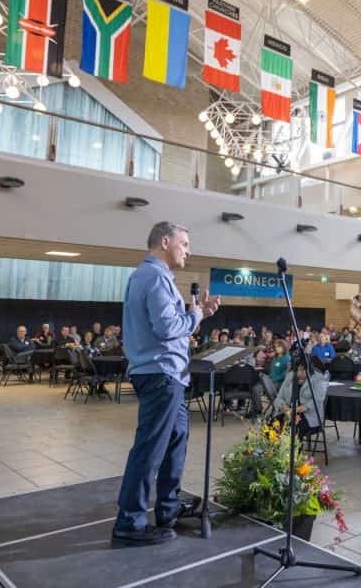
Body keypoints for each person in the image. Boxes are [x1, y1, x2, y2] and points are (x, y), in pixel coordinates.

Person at [113, 222, 220, 547]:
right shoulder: (155, 276)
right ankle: (129, 523)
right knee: (150, 448)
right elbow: (166, 327)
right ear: (165, 241)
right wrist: (195, 316)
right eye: (184, 243)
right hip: (161, 373)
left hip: (167, 373)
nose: (188, 250)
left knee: (176, 438)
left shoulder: (149, 277)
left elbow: (167, 323)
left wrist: (198, 313)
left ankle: (168, 509)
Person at [272, 362, 327, 439]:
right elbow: (278, 398)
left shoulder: (318, 378)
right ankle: (272, 449)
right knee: (271, 425)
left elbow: (316, 401)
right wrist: (284, 406)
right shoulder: (290, 376)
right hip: (288, 412)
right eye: (296, 370)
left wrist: (295, 411)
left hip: (308, 416)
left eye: (302, 370)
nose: (298, 373)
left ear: (308, 369)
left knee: (291, 429)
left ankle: (292, 450)